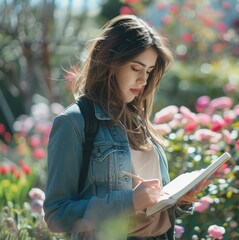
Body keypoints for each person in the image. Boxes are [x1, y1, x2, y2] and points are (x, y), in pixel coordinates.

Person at [44, 14, 209, 240]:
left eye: (149, 71)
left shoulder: (140, 122)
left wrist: (178, 201)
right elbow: (56, 215)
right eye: (135, 68)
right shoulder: (74, 122)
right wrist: (129, 202)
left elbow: (152, 207)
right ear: (111, 62)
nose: (143, 80)